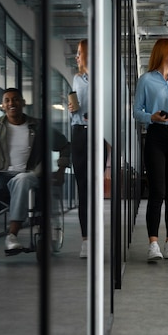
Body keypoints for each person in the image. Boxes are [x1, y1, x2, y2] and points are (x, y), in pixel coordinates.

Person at [0, 88, 70, 255]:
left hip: (28, 174)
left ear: (23, 103)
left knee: (22, 179)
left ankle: (12, 236)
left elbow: (65, 145)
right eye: (7, 100)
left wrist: (60, 170)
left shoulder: (39, 127)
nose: (11, 103)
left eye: (15, 99)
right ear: (3, 105)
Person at [133, 38, 168, 261]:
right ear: (166, 52)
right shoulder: (146, 80)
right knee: (157, 191)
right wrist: (151, 116)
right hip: (155, 134)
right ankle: (153, 244)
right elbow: (137, 111)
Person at [68, 39, 111, 259]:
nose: (76, 57)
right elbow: (75, 112)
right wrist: (71, 110)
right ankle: (86, 240)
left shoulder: (104, 79)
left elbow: (111, 109)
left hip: (99, 135)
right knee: (83, 188)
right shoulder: (76, 79)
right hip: (79, 134)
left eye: (79, 53)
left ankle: (96, 236)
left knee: (95, 189)